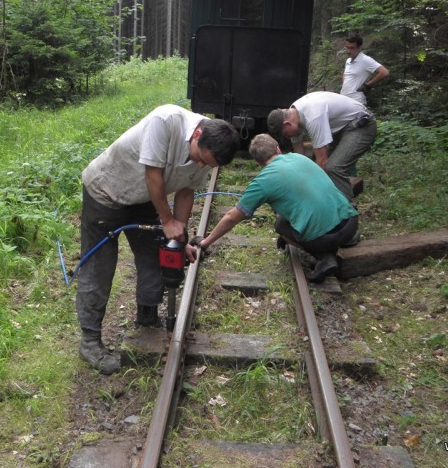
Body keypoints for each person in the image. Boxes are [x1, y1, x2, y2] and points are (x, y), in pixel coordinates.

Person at [76, 104, 240, 374]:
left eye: (207, 165)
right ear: (196, 134)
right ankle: (90, 342)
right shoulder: (165, 121)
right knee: (99, 268)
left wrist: (180, 235)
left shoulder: (208, 148)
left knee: (157, 254)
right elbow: (153, 173)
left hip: (144, 197)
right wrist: (166, 220)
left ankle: (147, 317)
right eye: (200, 158)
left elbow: (186, 190)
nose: (200, 165)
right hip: (106, 192)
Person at [195, 134, 358, 283]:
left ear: (258, 163)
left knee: (280, 225)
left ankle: (324, 257)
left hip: (324, 239)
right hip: (351, 224)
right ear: (278, 149)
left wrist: (205, 242)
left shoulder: (263, 181)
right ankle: (345, 240)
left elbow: (232, 217)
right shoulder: (299, 157)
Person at [266, 91, 376, 202]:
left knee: (334, 168)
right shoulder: (292, 114)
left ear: (287, 124)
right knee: (315, 165)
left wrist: (309, 192)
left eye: (285, 134)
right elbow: (300, 157)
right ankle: (329, 201)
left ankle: (347, 212)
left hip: (361, 125)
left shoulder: (313, 116)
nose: (287, 137)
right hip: (340, 128)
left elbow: (322, 161)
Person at [340, 34, 389, 105]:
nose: (348, 51)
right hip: (344, 99)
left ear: (359, 47)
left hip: (356, 101)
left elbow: (384, 72)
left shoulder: (365, 60)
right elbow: (346, 75)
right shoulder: (348, 60)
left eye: (352, 48)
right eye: (347, 48)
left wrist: (368, 85)